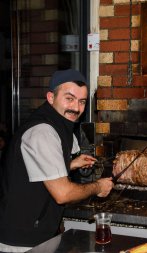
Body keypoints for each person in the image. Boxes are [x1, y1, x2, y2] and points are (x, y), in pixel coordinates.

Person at [0, 69, 114, 252]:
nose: (76, 108)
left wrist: (70, 164)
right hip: (21, 241)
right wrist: (98, 187)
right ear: (51, 97)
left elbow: (34, 168)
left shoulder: (57, 123)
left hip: (36, 235)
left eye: (82, 101)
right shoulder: (43, 132)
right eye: (69, 98)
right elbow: (63, 194)